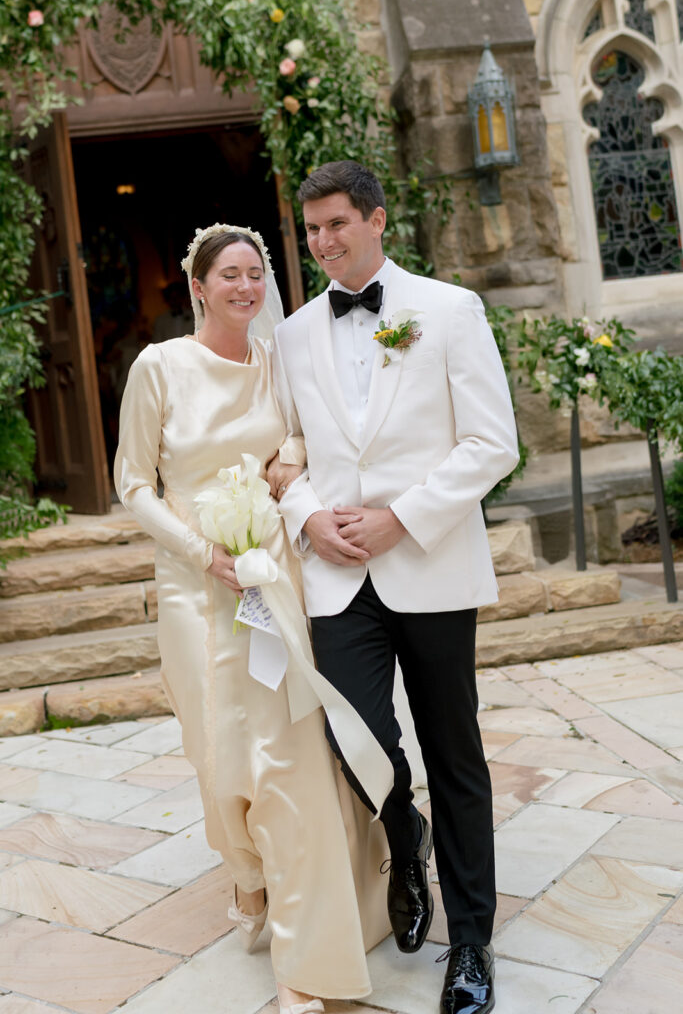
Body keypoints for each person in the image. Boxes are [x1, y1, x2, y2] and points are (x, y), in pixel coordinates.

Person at [114, 223, 389, 1014]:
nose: (244, 287)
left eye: (255, 274)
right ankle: (247, 871)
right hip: (195, 587)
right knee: (216, 750)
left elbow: (308, 429)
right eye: (228, 274)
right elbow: (132, 484)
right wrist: (205, 554)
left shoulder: (277, 363)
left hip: (270, 579)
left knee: (285, 750)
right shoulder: (158, 367)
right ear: (197, 285)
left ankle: (308, 950)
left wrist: (290, 461)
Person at [269, 162, 519, 1014]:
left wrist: (400, 519)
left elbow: (491, 444)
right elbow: (284, 450)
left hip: (430, 565)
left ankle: (472, 941)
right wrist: (306, 516)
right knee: (357, 741)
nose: (322, 242)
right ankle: (402, 841)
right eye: (311, 230)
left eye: (336, 223)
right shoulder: (295, 333)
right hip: (338, 581)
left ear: (376, 220)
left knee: (455, 752)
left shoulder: (448, 311)